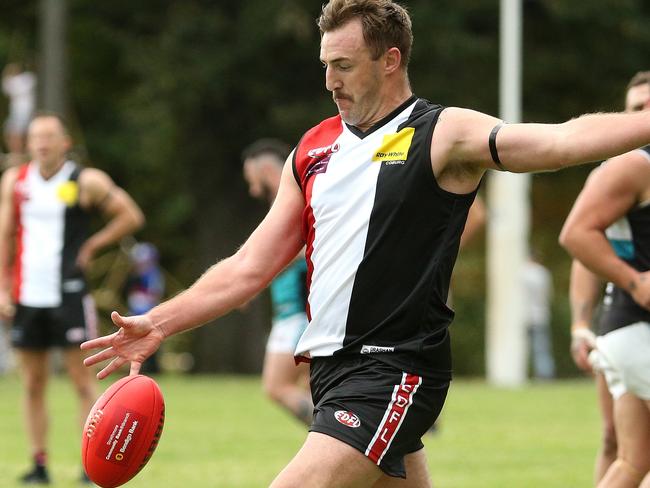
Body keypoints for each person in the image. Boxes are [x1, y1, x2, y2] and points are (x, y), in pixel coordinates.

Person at [82, 2, 650, 486]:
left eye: (345, 65)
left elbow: (558, 142)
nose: (330, 80)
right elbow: (246, 269)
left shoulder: (442, 133)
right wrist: (158, 322)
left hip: (395, 369)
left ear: (390, 60)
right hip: (330, 373)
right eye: (326, 65)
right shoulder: (311, 151)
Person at [0, 112, 145, 484]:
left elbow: (131, 216)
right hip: (27, 297)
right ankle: (39, 463)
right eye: (36, 136)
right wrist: (3, 287)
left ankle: (90, 463)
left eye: (49, 136)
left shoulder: (86, 181)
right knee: (32, 383)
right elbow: (5, 236)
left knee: (82, 382)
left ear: (65, 142)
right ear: (27, 143)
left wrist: (93, 244)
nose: (42, 143)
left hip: (69, 295)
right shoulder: (15, 182)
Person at [560, 70, 650, 488]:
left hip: (626, 330)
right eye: (637, 109)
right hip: (633, 323)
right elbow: (580, 242)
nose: (645, 117)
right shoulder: (628, 166)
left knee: (632, 459)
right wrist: (582, 324)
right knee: (618, 445)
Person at [242, 138, 313, 425]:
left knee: (277, 386)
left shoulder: (294, 202)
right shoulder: (286, 203)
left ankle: (342, 442)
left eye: (252, 179)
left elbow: (303, 248)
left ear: (267, 170)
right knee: (314, 389)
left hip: (297, 311)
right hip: (298, 311)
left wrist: (251, 282)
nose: (252, 188)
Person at [126, 242, 164, 375]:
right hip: (137, 313)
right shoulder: (135, 276)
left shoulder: (153, 274)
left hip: (148, 313)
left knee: (150, 344)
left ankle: (153, 369)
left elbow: (155, 293)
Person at [521, 250, 555, 380]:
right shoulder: (543, 273)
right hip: (542, 315)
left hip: (528, 315)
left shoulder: (525, 273)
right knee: (542, 347)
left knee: (535, 348)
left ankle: (542, 374)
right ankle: (544, 373)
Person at [2, 62, 36, 163]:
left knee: (17, 134)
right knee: (11, 132)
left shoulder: (23, 79)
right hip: (17, 113)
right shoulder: (25, 79)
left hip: (23, 113)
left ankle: (19, 154)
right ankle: (18, 153)